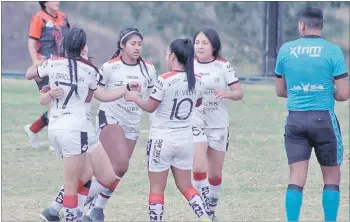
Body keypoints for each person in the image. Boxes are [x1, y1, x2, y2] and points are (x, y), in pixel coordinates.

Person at [25, 27, 141, 221]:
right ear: (81, 47)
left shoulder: (53, 63)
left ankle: (59, 211)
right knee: (73, 182)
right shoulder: (88, 70)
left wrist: (40, 71)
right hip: (74, 129)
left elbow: (30, 74)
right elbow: (101, 95)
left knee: (104, 176)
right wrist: (126, 89)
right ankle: (69, 215)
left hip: (66, 128)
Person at [274, 7, 349, 222]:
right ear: (321, 26)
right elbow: (344, 94)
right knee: (332, 177)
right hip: (323, 120)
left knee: (296, 178)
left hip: (295, 120)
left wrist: (301, 91)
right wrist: (323, 91)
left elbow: (280, 90)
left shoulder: (286, 50)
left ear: (301, 25)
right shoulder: (333, 51)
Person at [125, 38, 211, 222]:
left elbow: (150, 106)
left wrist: (134, 97)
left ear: (172, 56)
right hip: (185, 140)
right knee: (187, 186)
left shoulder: (164, 80)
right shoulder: (198, 81)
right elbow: (198, 102)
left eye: (167, 53)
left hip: (161, 139)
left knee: (157, 189)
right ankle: (205, 217)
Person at [83, 27, 157, 221]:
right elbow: (95, 89)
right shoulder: (109, 67)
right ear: (122, 45)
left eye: (140, 44)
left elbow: (153, 96)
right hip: (110, 117)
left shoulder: (148, 68)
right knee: (120, 162)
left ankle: (96, 210)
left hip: (133, 123)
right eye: (133, 44)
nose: (137, 47)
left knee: (119, 170)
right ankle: (75, 203)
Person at [190, 28, 243, 220]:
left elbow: (239, 92)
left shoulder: (223, 65)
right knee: (198, 168)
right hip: (195, 120)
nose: (200, 46)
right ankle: (201, 213)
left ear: (214, 46)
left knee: (214, 174)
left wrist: (227, 93)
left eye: (205, 43)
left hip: (218, 123)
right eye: (197, 42)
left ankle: (210, 210)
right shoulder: (189, 65)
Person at [25, 1, 70, 150]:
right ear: (45, 3)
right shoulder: (39, 18)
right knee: (52, 102)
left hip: (61, 65)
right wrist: (36, 63)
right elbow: (31, 43)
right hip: (45, 65)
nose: (58, 1)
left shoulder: (64, 17)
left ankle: (33, 129)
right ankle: (54, 142)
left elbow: (68, 40)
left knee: (62, 102)